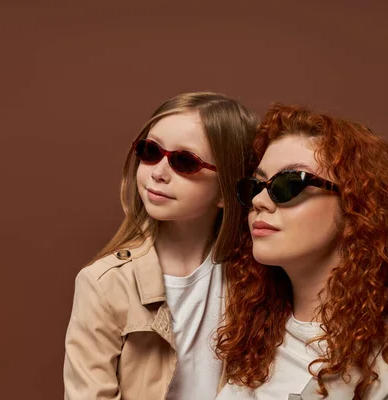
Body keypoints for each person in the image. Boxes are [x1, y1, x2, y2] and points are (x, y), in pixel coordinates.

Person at [215, 104, 388, 399]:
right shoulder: (246, 334)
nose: (260, 201)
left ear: (356, 211)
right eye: (256, 185)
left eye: (289, 184)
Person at [63, 92, 260, 400]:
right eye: (150, 151)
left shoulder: (255, 276)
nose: (157, 172)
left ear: (226, 190)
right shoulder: (104, 283)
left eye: (185, 162)